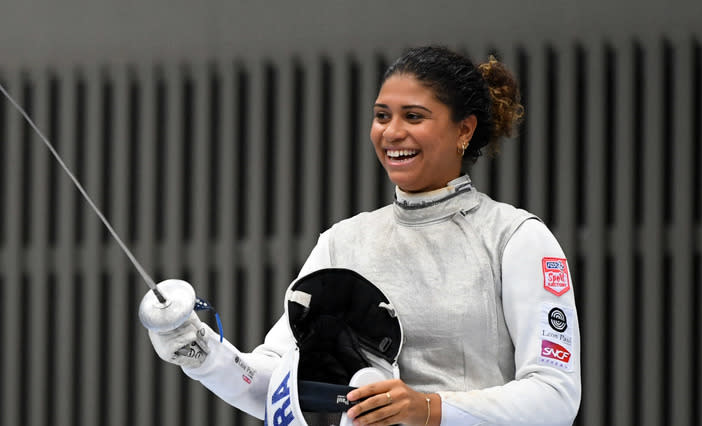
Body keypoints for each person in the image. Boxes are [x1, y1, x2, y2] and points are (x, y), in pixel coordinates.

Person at [142, 45, 582, 425]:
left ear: (463, 130)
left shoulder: (514, 238)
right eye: (381, 116)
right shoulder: (343, 242)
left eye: (414, 116)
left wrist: (427, 408)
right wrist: (203, 353)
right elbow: (274, 387)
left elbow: (555, 395)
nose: (392, 133)